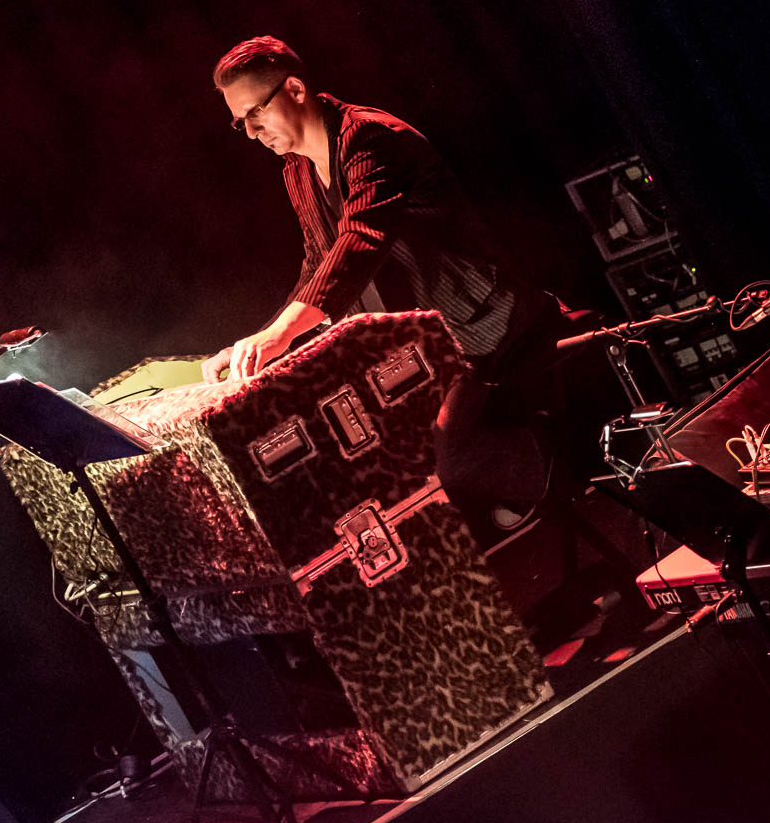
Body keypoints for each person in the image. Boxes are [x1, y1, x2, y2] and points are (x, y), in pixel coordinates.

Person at [202, 35, 569, 528]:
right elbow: (319, 265)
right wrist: (258, 343)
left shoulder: (368, 136)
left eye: (255, 112)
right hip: (430, 340)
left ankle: (555, 452)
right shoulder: (297, 170)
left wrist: (279, 335)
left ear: (295, 89)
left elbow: (361, 238)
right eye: (239, 121)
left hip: (484, 320)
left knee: (435, 457)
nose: (250, 133)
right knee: (364, 445)